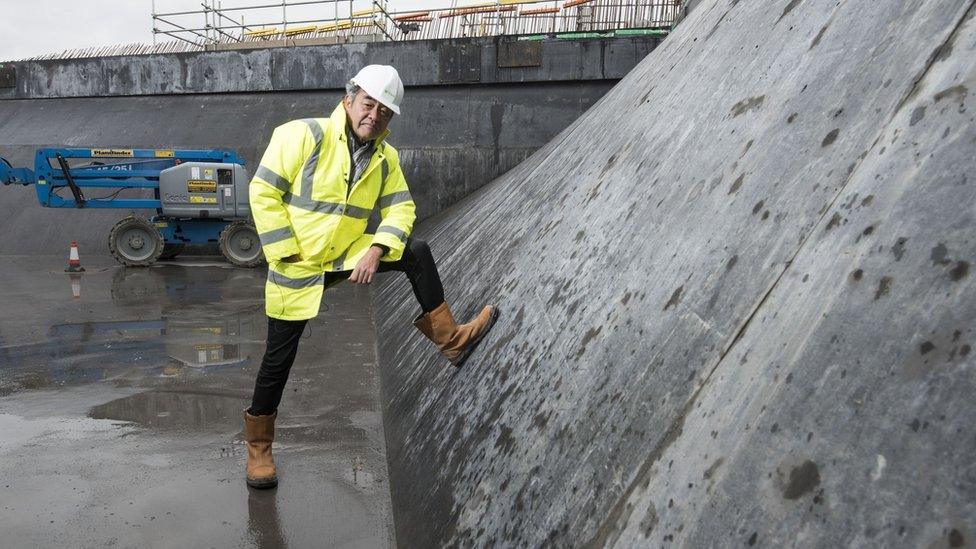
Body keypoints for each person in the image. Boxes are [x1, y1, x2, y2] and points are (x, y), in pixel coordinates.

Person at [242, 65, 499, 489]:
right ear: (349, 99)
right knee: (278, 361)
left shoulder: (386, 158)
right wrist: (285, 249)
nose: (374, 116)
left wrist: (376, 249)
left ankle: (451, 340)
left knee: (414, 250)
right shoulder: (302, 135)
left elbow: (401, 209)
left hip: (345, 254)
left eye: (384, 111)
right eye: (368, 104)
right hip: (298, 263)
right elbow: (263, 190)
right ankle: (259, 450)